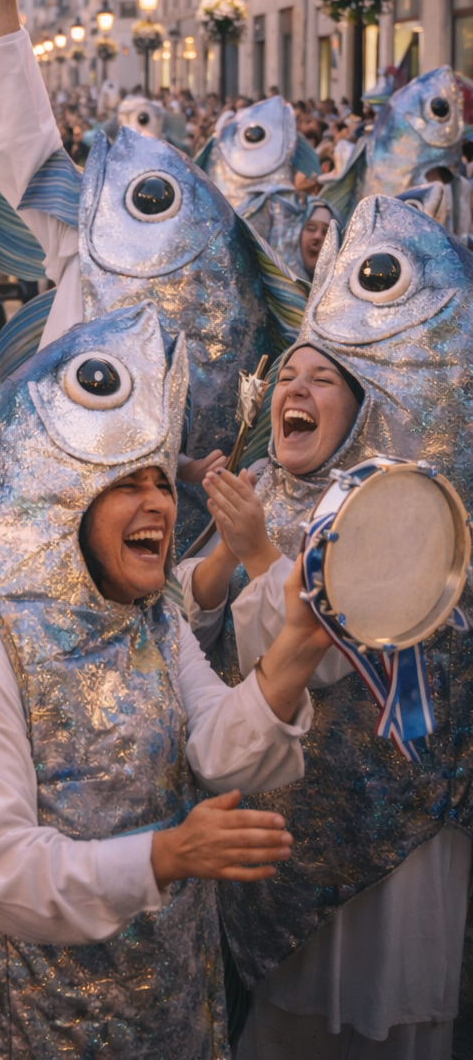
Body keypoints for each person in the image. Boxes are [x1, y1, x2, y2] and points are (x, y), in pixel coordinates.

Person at [0, 306, 332, 1057]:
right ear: (68, 500)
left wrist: (298, 645)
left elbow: (222, 750)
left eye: (162, 480)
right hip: (26, 1018)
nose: (159, 502)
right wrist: (165, 857)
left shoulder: (153, 619)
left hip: (163, 1003)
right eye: (128, 483)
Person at [178, 340, 471, 1058]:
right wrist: (224, 551)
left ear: (360, 406)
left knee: (376, 1015)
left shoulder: (392, 503)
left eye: (322, 379)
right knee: (285, 1019)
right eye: (286, 376)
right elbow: (189, 628)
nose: (296, 389)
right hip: (282, 817)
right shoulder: (260, 485)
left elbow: (328, 659)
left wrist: (257, 554)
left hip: (384, 828)